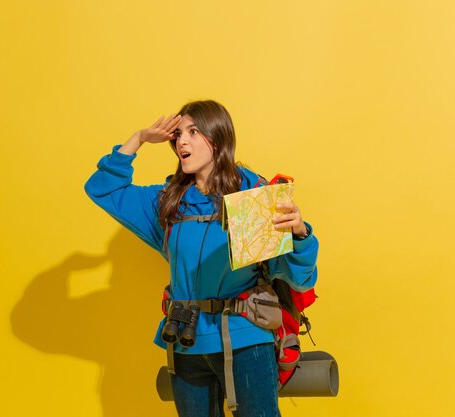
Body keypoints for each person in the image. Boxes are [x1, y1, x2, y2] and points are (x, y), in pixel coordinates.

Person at [85, 100, 318, 417]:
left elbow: (299, 278)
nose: (182, 140)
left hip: (245, 341)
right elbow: (103, 188)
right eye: (178, 134)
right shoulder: (168, 202)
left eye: (194, 132)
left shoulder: (251, 197)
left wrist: (301, 234)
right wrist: (139, 138)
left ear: (218, 138)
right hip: (186, 342)